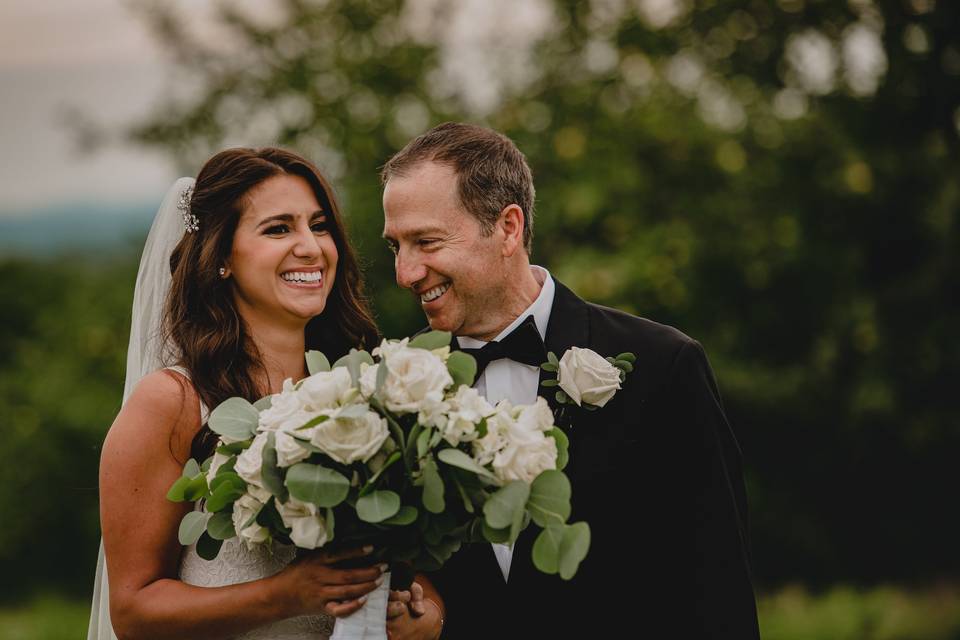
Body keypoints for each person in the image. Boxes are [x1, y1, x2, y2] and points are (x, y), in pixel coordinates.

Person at [380, 123, 761, 638]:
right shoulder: (392, 391)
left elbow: (718, 584)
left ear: (508, 228)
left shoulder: (663, 365)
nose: (405, 273)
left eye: (425, 241)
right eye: (395, 247)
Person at [88, 147, 433, 639]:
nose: (311, 248)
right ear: (222, 256)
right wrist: (286, 595)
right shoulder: (174, 402)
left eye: (319, 225)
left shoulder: (368, 389)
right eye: (278, 229)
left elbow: (410, 565)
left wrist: (421, 612)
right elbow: (133, 610)